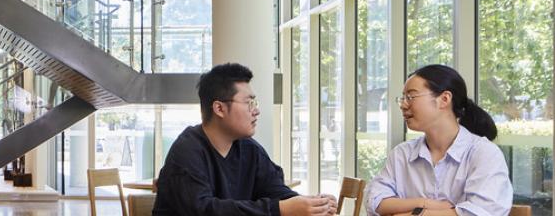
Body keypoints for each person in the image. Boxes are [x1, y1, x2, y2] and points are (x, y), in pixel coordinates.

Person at [154, 63, 337, 216]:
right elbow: (204, 210)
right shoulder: (187, 151)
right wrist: (279, 209)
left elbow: (276, 192)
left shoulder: (249, 149)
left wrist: (311, 205)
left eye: (255, 103)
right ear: (219, 109)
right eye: (249, 103)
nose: (256, 111)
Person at [364, 64, 512, 216]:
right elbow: (374, 200)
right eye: (402, 98)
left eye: (411, 96)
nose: (403, 105)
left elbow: (482, 212)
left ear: (444, 99)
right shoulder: (402, 154)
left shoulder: (484, 153)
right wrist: (423, 204)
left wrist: (413, 214)